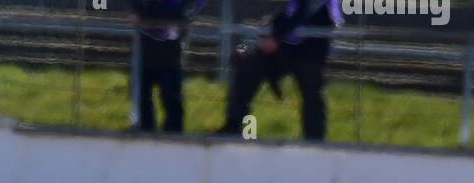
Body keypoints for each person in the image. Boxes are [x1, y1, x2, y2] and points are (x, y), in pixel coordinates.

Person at [223, 0, 343, 141]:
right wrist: (272, 28)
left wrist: (276, 37)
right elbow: (292, 11)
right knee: (247, 71)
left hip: (310, 45)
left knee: (312, 92)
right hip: (286, 44)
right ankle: (233, 127)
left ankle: (315, 139)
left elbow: (302, 13)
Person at [130, 1, 204, 134]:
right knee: (143, 88)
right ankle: (145, 129)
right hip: (148, 38)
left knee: (170, 90)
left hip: (170, 39)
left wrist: (184, 15)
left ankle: (173, 131)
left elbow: (195, 5)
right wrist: (136, 10)